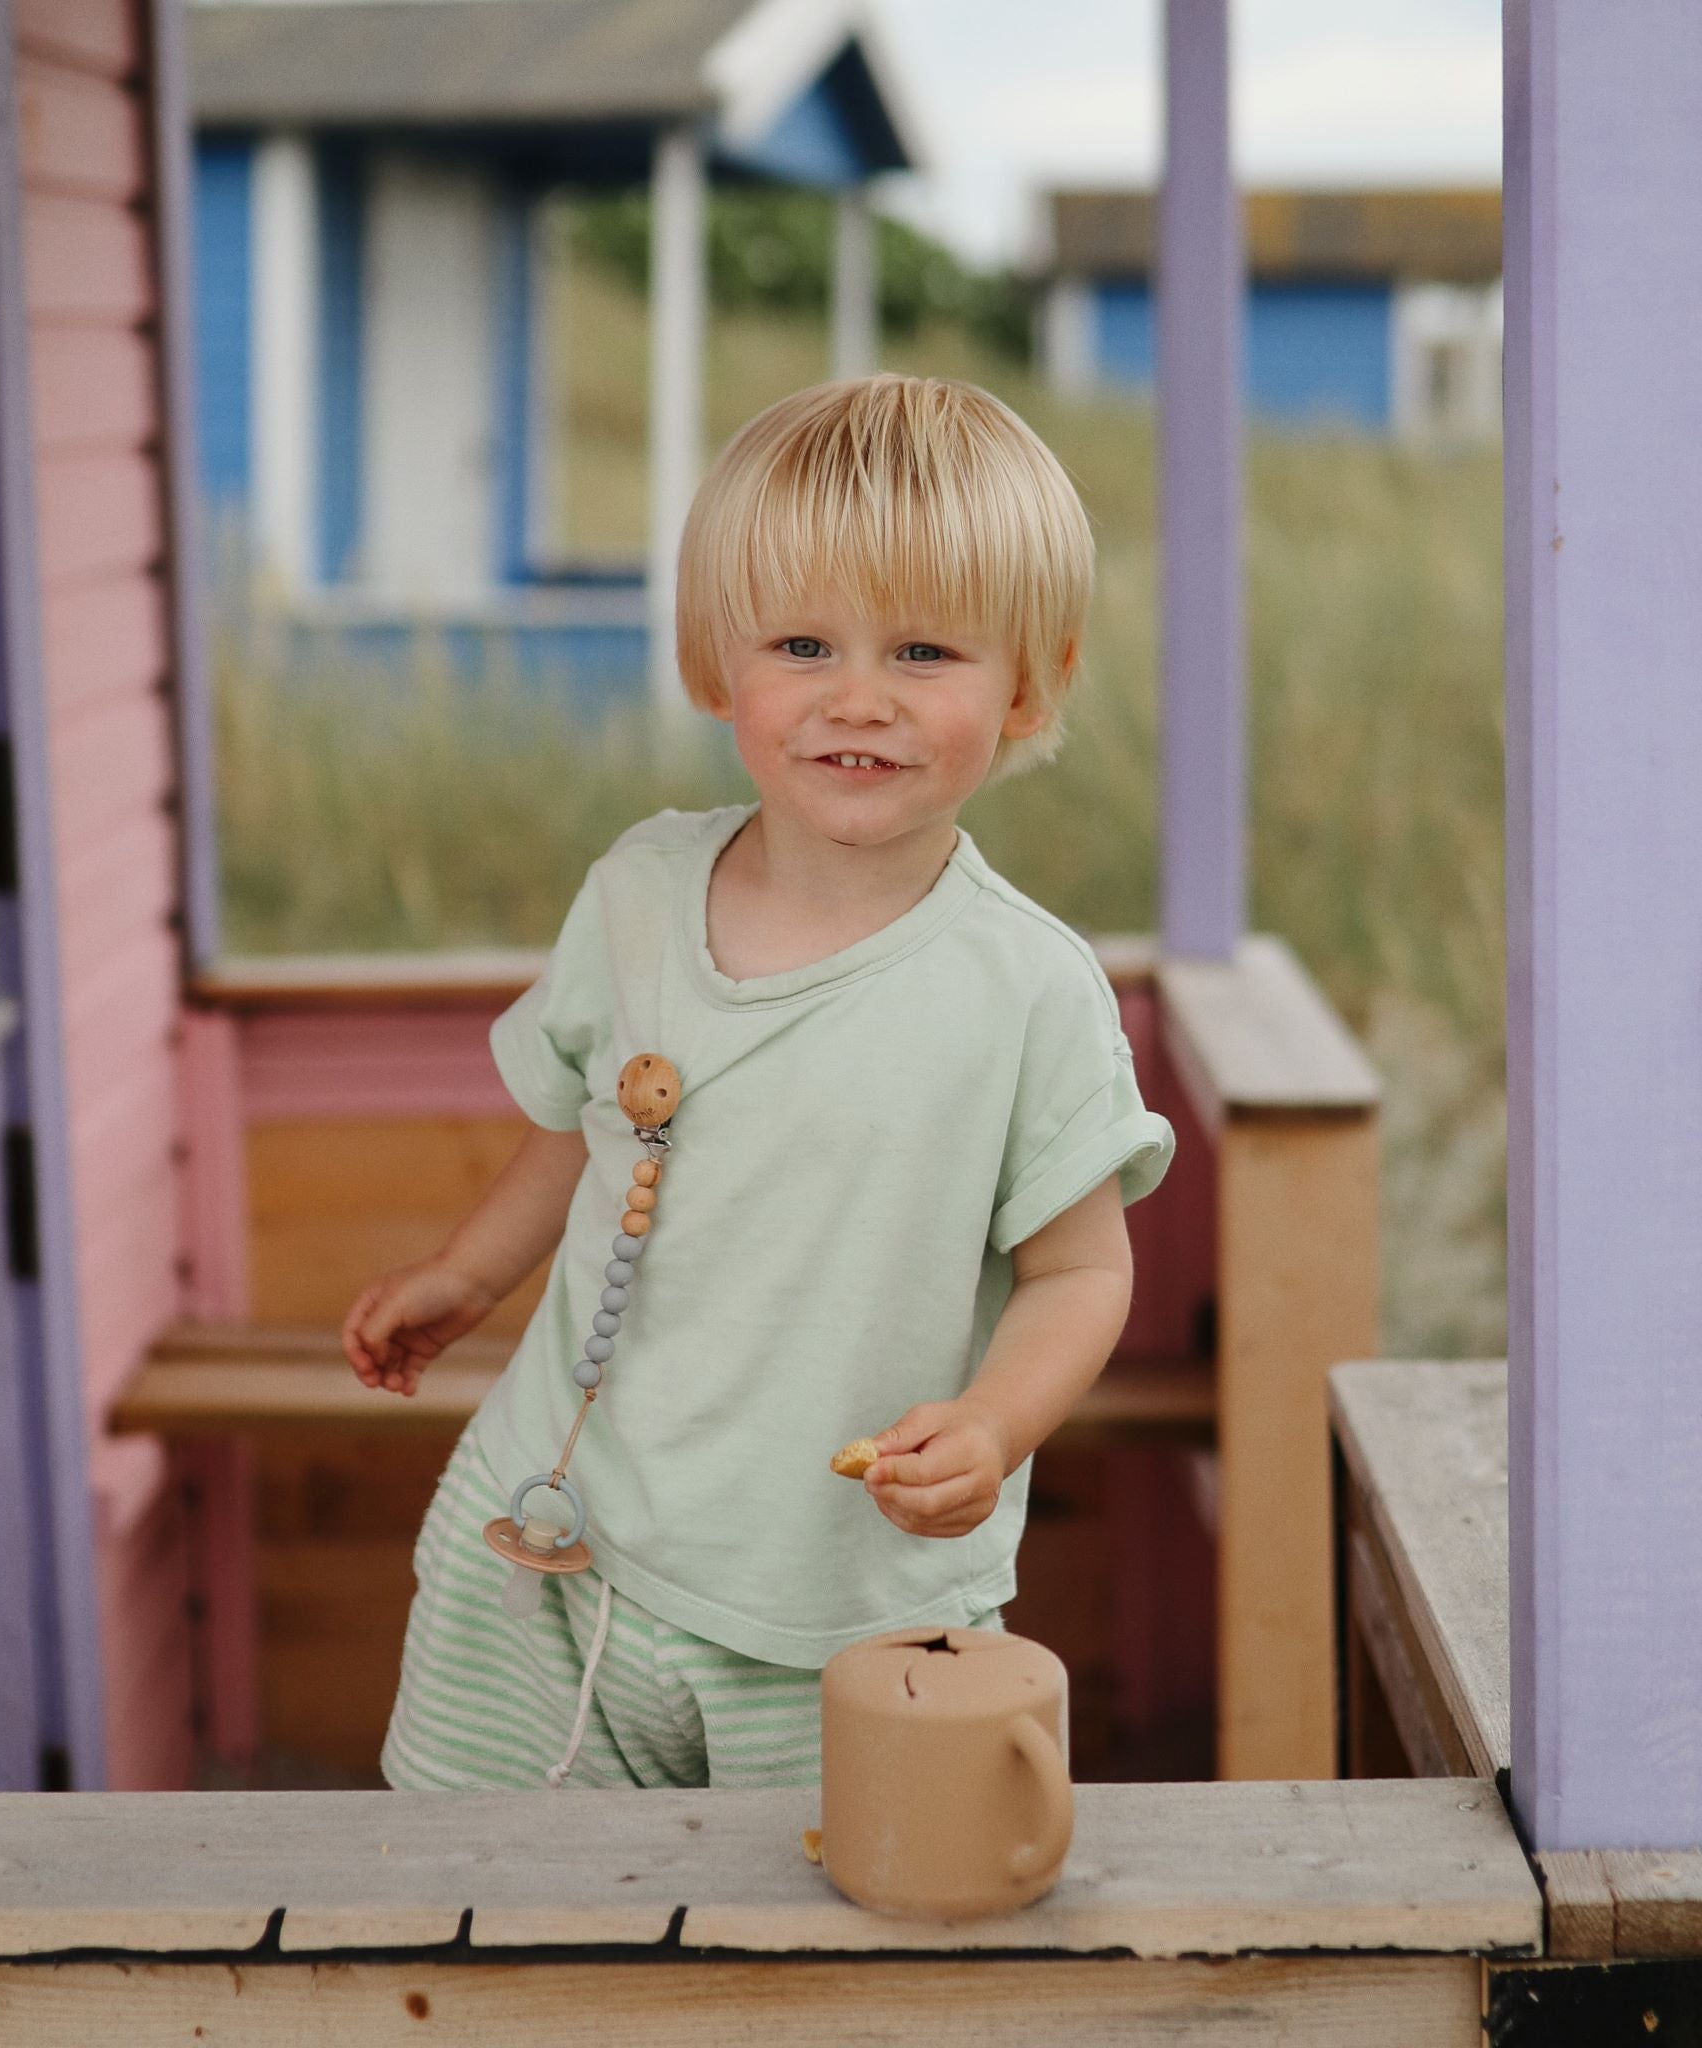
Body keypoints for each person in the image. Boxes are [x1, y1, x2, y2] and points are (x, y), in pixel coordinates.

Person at [341, 374, 1175, 1791]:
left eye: (925, 651)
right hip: (555, 1540)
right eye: (803, 643)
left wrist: (993, 1422)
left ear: (1029, 681)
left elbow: (1081, 1276)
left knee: (824, 1962)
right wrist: (468, 1278)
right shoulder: (642, 893)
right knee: (492, 1914)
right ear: (716, 662)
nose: (861, 699)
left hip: (846, 1600)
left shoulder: (1027, 991)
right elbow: (580, 1129)